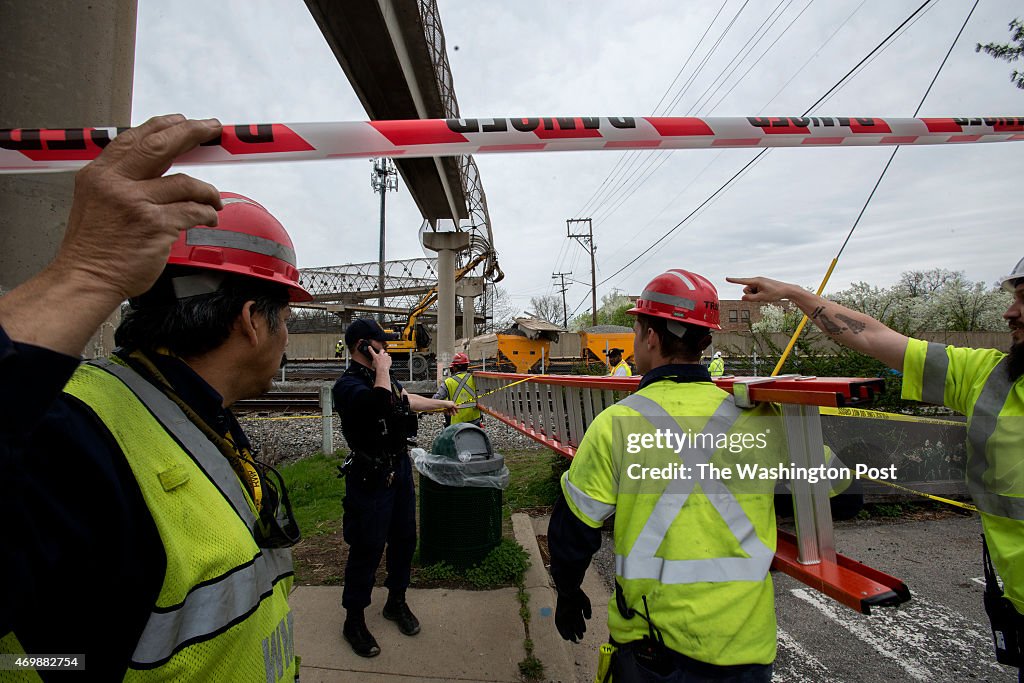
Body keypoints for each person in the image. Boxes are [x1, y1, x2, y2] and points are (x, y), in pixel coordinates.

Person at [1, 116, 309, 681]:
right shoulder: (66, 440)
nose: (286, 338)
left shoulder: (182, 410)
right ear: (252, 323)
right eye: (285, 318)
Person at [729, 266, 1024, 679]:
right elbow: (872, 337)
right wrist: (794, 294)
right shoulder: (990, 377)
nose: (1010, 312)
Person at [548, 269, 790, 682]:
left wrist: (568, 592)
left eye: (636, 326)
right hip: (747, 651)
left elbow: (572, 531)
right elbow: (831, 484)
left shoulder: (616, 425)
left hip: (652, 652)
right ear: (704, 341)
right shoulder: (764, 418)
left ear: (652, 338)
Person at [332, 318, 455, 658]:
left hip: (398, 467)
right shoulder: (348, 385)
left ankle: (396, 601)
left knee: (404, 539)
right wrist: (382, 370)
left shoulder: (383, 379)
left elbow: (403, 399)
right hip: (370, 474)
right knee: (367, 546)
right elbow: (378, 406)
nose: (386, 350)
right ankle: (353, 619)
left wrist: (441, 404)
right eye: (380, 345)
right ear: (362, 346)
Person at [433, 352, 482, 426]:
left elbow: (436, 399)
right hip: (475, 419)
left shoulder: (448, 382)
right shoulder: (474, 378)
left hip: (456, 422)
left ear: (454, 367)